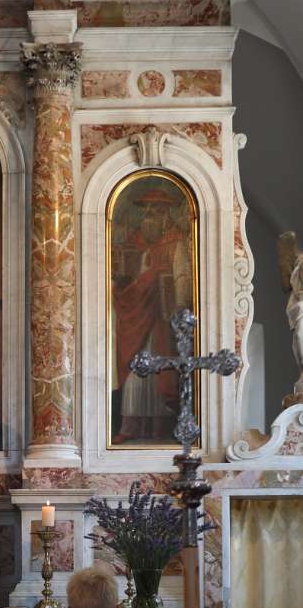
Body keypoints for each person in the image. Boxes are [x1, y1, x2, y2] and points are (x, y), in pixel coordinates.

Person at [111, 185, 192, 444]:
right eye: (145, 213)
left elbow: (181, 278)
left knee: (160, 374)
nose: (147, 218)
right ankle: (130, 425)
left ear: (165, 216)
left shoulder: (175, 243)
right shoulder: (136, 242)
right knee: (136, 373)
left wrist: (179, 307)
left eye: (153, 213)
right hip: (136, 318)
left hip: (161, 321)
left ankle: (160, 426)